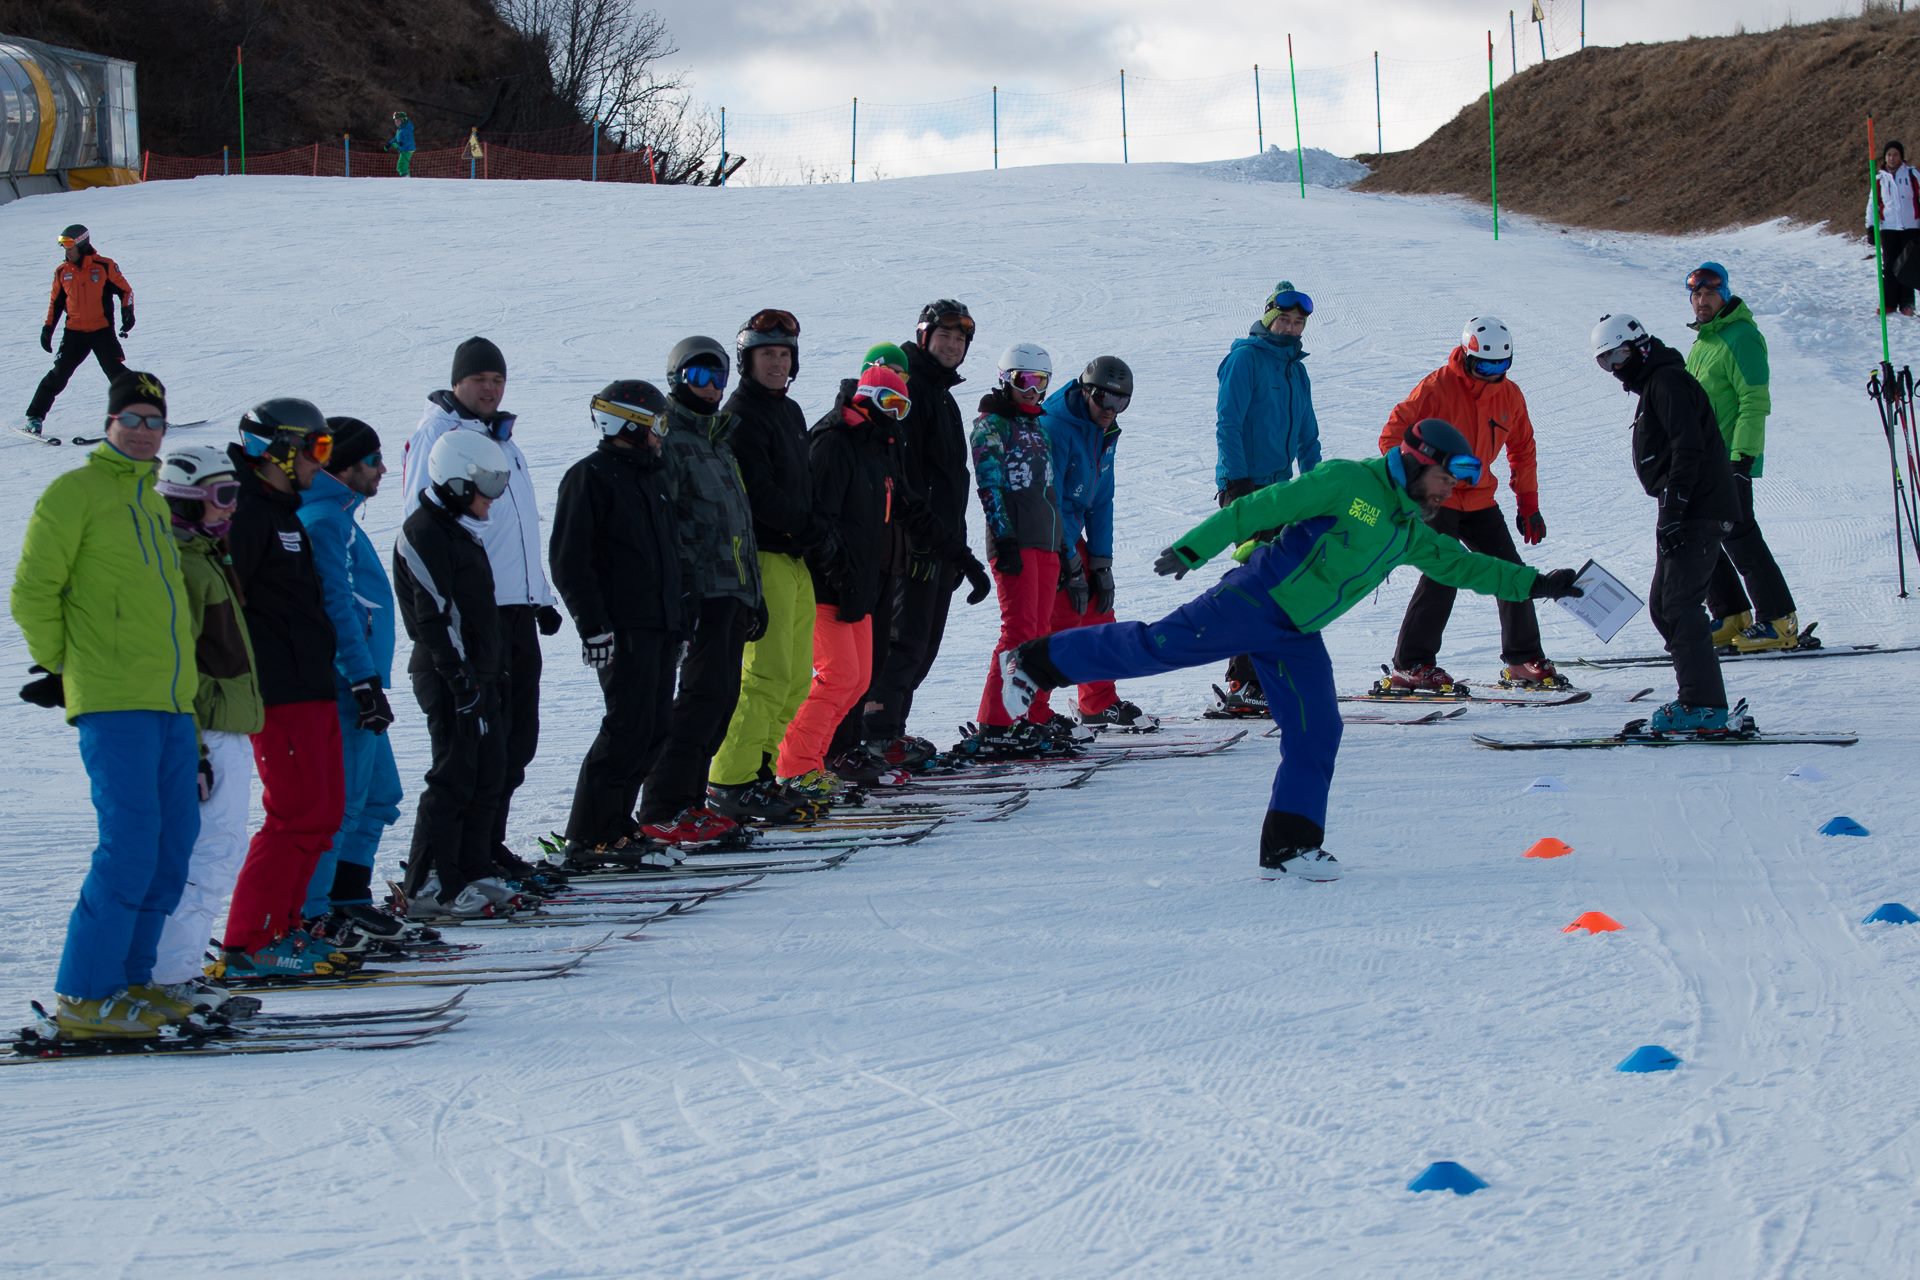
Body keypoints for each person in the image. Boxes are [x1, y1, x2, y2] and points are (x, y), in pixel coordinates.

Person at [998, 419, 1584, 880]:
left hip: (1297, 631)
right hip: (1254, 602)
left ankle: (1290, 847)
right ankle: (1034, 662)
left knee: (1317, 730)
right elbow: (1264, 507)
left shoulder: (1408, 527)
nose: (1453, 488)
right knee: (1155, 649)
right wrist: (1195, 548)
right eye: (1447, 476)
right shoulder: (1352, 484)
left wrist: (1538, 584)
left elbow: (1463, 565)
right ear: (1416, 461)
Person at [10, 371, 202, 1036]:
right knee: (128, 845)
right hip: (115, 699)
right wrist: (66, 667)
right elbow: (34, 589)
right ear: (111, 421)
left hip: (171, 701)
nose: (146, 430)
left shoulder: (151, 502)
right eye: (134, 418)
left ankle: (130, 981)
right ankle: (85, 996)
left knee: (172, 845)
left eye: (155, 420)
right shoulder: (75, 493)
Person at [779, 363, 990, 797]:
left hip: (865, 581)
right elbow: (820, 519)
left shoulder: (878, 445)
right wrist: (838, 571)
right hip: (830, 586)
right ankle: (796, 765)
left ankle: (823, 759)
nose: (896, 413)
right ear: (867, 397)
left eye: (903, 406)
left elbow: (912, 507)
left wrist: (963, 559)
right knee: (837, 676)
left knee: (858, 678)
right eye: (890, 403)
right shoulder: (835, 442)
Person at [400, 337, 562, 877]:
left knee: (515, 743)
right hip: (475, 611)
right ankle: (455, 863)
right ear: (457, 384)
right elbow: (426, 527)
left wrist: (539, 595)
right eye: (479, 380)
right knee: (476, 748)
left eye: (498, 380)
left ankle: (486, 847)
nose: (490, 389)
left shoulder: (501, 438)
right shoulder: (440, 437)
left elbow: (519, 525)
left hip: (514, 609)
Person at [214, 399, 351, 979]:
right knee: (293, 814)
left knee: (323, 813)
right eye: (316, 449)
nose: (323, 463)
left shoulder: (283, 512)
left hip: (311, 684)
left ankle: (286, 927)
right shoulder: (247, 513)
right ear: (276, 449)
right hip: (279, 692)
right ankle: (249, 942)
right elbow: (224, 602)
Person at [1377, 317, 1559, 691]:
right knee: (1444, 572)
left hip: (1479, 498)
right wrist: (1413, 483)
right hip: (1436, 499)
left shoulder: (1510, 395)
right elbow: (1393, 434)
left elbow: (1522, 448)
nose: (1493, 374)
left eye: (1501, 365)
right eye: (1485, 365)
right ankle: (1411, 664)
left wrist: (1528, 503)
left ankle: (1522, 658)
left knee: (1511, 571)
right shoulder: (1436, 387)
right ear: (1467, 354)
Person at [549, 382, 685, 869]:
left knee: (654, 726)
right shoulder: (590, 477)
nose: (661, 434)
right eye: (656, 423)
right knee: (626, 726)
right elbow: (570, 561)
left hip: (660, 624)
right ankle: (588, 833)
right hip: (623, 626)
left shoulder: (651, 476)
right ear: (626, 423)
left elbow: (668, 556)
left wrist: (679, 623)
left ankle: (616, 823)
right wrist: (594, 625)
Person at [148, 444, 264, 1016]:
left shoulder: (207, 555)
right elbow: (176, 666)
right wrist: (192, 747)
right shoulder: (184, 564)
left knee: (217, 850)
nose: (231, 509)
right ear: (188, 502)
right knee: (208, 854)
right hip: (210, 729)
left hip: (226, 726)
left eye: (235, 496)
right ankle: (170, 976)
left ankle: (175, 971)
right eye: (222, 497)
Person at [640, 337, 767, 833]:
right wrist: (684, 591)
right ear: (676, 380)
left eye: (718, 378)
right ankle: (663, 808)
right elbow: (669, 521)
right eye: (699, 377)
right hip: (702, 594)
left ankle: (691, 803)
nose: (712, 388)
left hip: (731, 591)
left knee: (720, 700)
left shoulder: (716, 440)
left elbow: (737, 524)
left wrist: (752, 595)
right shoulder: (671, 439)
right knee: (698, 701)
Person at [708, 309, 832, 813]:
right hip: (764, 555)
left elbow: (802, 484)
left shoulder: (790, 411)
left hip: (795, 557)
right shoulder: (740, 416)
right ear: (747, 360)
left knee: (797, 675)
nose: (777, 364)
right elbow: (758, 494)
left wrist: (820, 532)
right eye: (767, 355)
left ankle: (761, 770)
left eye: (784, 355)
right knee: (766, 674)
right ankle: (731, 780)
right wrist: (809, 528)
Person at [1593, 314, 1740, 732]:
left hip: (1697, 508)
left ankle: (1703, 704)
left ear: (1640, 346)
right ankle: (1697, 695)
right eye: (1606, 362)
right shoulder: (1660, 382)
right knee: (1665, 605)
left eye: (1619, 355)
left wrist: (1675, 506)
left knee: (1679, 605)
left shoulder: (1668, 382)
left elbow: (1688, 447)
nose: (1616, 368)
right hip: (1689, 507)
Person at [393, 432, 516, 918]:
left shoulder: (458, 528)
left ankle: (469, 866)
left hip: (479, 673)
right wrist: (461, 680)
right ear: (457, 480)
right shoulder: (422, 531)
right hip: (447, 675)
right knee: (453, 776)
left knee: (489, 771)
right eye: (486, 485)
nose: (492, 498)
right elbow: (433, 617)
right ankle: (427, 883)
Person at [296, 417, 409, 943]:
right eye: (372, 460)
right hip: (346, 686)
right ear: (342, 465)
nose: (382, 469)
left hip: (360, 683)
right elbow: (334, 606)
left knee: (381, 793)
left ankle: (346, 898)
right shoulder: (324, 519)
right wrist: (361, 678)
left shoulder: (339, 514)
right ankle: (314, 912)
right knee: (340, 803)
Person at [866, 300, 978, 764]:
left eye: (960, 339)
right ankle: (874, 733)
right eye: (944, 336)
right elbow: (904, 475)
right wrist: (918, 537)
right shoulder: (911, 389)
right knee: (903, 642)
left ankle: (890, 731)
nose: (952, 345)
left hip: (939, 542)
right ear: (924, 336)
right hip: (914, 542)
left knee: (922, 646)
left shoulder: (940, 394)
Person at [1211, 281, 1322, 714]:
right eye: (1285, 320)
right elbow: (1228, 422)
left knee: (1285, 584)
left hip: (1284, 490)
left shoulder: (1296, 368)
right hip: (1248, 488)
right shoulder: (1245, 360)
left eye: (1298, 323)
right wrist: (1237, 484)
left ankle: (1264, 677)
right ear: (1269, 318)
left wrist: (1318, 485)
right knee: (1260, 584)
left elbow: (1309, 433)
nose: (1292, 329)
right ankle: (1243, 681)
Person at [1681, 262, 1799, 652]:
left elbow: (1754, 400)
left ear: (1725, 293)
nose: (1701, 301)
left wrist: (1742, 459)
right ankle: (1732, 613)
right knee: (1704, 536)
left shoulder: (1741, 336)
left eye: (1709, 294)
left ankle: (1779, 620)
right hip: (1704, 460)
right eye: (1696, 295)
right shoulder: (1705, 341)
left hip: (1730, 460)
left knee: (1742, 538)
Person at [967, 341, 1073, 758]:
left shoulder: (1037, 427)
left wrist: (1063, 547)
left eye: (1039, 381)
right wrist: (1003, 537)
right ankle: (995, 721)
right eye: (1023, 380)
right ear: (1006, 380)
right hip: (1016, 543)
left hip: (1045, 542)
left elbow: (1050, 492)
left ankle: (1023, 714)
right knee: (1018, 633)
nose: (1031, 389)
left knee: (1040, 634)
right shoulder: (991, 426)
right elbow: (989, 486)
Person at [1045, 354, 1157, 729]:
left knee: (1098, 611)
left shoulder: (1104, 430)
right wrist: (1068, 561)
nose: (1112, 410)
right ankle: (1028, 710)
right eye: (1105, 400)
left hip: (1072, 531)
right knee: (1058, 617)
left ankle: (1097, 701)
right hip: (1047, 532)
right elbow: (1051, 501)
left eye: (1122, 402)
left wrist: (1100, 562)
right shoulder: (1056, 427)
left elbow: (1101, 498)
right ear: (1085, 390)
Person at [24, 225, 134, 435]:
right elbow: (55, 304)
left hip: (102, 331)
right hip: (74, 333)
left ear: (81, 244)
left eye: (69, 245)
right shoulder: (62, 272)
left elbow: (125, 291)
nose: (66, 251)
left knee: (118, 374)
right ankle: (34, 417)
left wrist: (128, 312)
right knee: (58, 375)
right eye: (63, 246)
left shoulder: (104, 266)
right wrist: (47, 329)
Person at [1868, 140, 1920, 316]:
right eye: (1889, 155)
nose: (1892, 158)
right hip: (1888, 227)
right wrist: (1871, 227)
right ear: (1885, 157)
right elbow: (1872, 205)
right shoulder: (1879, 179)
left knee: (1908, 266)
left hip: (1911, 227)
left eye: (1895, 154)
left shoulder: (1912, 175)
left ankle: (1907, 304)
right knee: (1889, 265)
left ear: (1901, 156)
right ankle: (1888, 302)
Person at [387, 111, 416, 177]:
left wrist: (399, 145)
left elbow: (407, 140)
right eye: (395, 121)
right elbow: (395, 138)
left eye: (398, 121)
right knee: (403, 165)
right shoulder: (400, 129)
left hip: (407, 149)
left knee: (401, 166)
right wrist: (389, 144)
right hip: (404, 149)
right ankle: (407, 177)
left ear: (403, 120)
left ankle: (405, 179)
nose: (396, 122)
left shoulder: (406, 129)